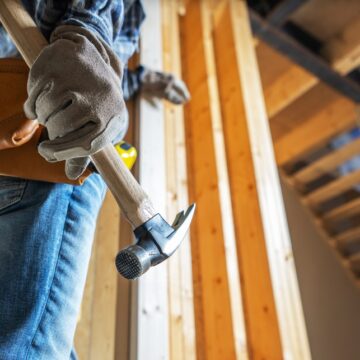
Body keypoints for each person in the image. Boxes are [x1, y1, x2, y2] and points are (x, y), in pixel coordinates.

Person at [0, 1, 189, 359]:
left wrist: (143, 78)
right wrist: (87, 38)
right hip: (46, 152)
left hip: (35, 149)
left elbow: (91, 80)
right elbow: (83, 61)